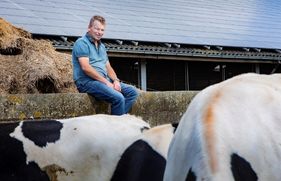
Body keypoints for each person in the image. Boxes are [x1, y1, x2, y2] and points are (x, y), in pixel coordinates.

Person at [72, 15, 139, 115]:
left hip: (103, 81)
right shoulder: (81, 43)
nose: (99, 32)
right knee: (118, 97)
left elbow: (108, 67)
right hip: (87, 82)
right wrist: (107, 83)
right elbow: (86, 68)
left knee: (132, 92)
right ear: (89, 27)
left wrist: (115, 81)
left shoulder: (102, 46)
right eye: (97, 29)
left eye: (102, 30)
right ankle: (117, 127)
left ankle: (117, 120)